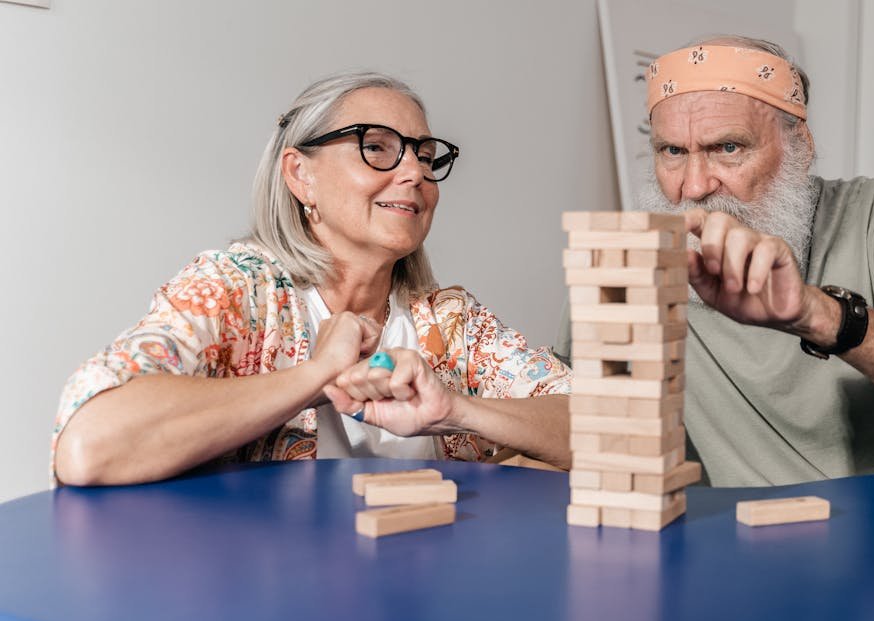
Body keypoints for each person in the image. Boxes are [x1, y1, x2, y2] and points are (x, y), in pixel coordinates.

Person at [53, 71, 571, 486]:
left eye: (426, 155)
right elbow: (89, 445)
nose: (414, 172)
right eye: (378, 146)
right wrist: (315, 377)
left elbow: (620, 430)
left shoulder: (451, 322)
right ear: (301, 175)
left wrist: (455, 409)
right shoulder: (236, 291)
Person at [557, 36, 874, 487]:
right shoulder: (628, 266)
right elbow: (575, 426)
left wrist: (815, 313)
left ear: (800, 146)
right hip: (721, 543)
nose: (693, 186)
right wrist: (483, 410)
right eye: (672, 151)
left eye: (727, 148)